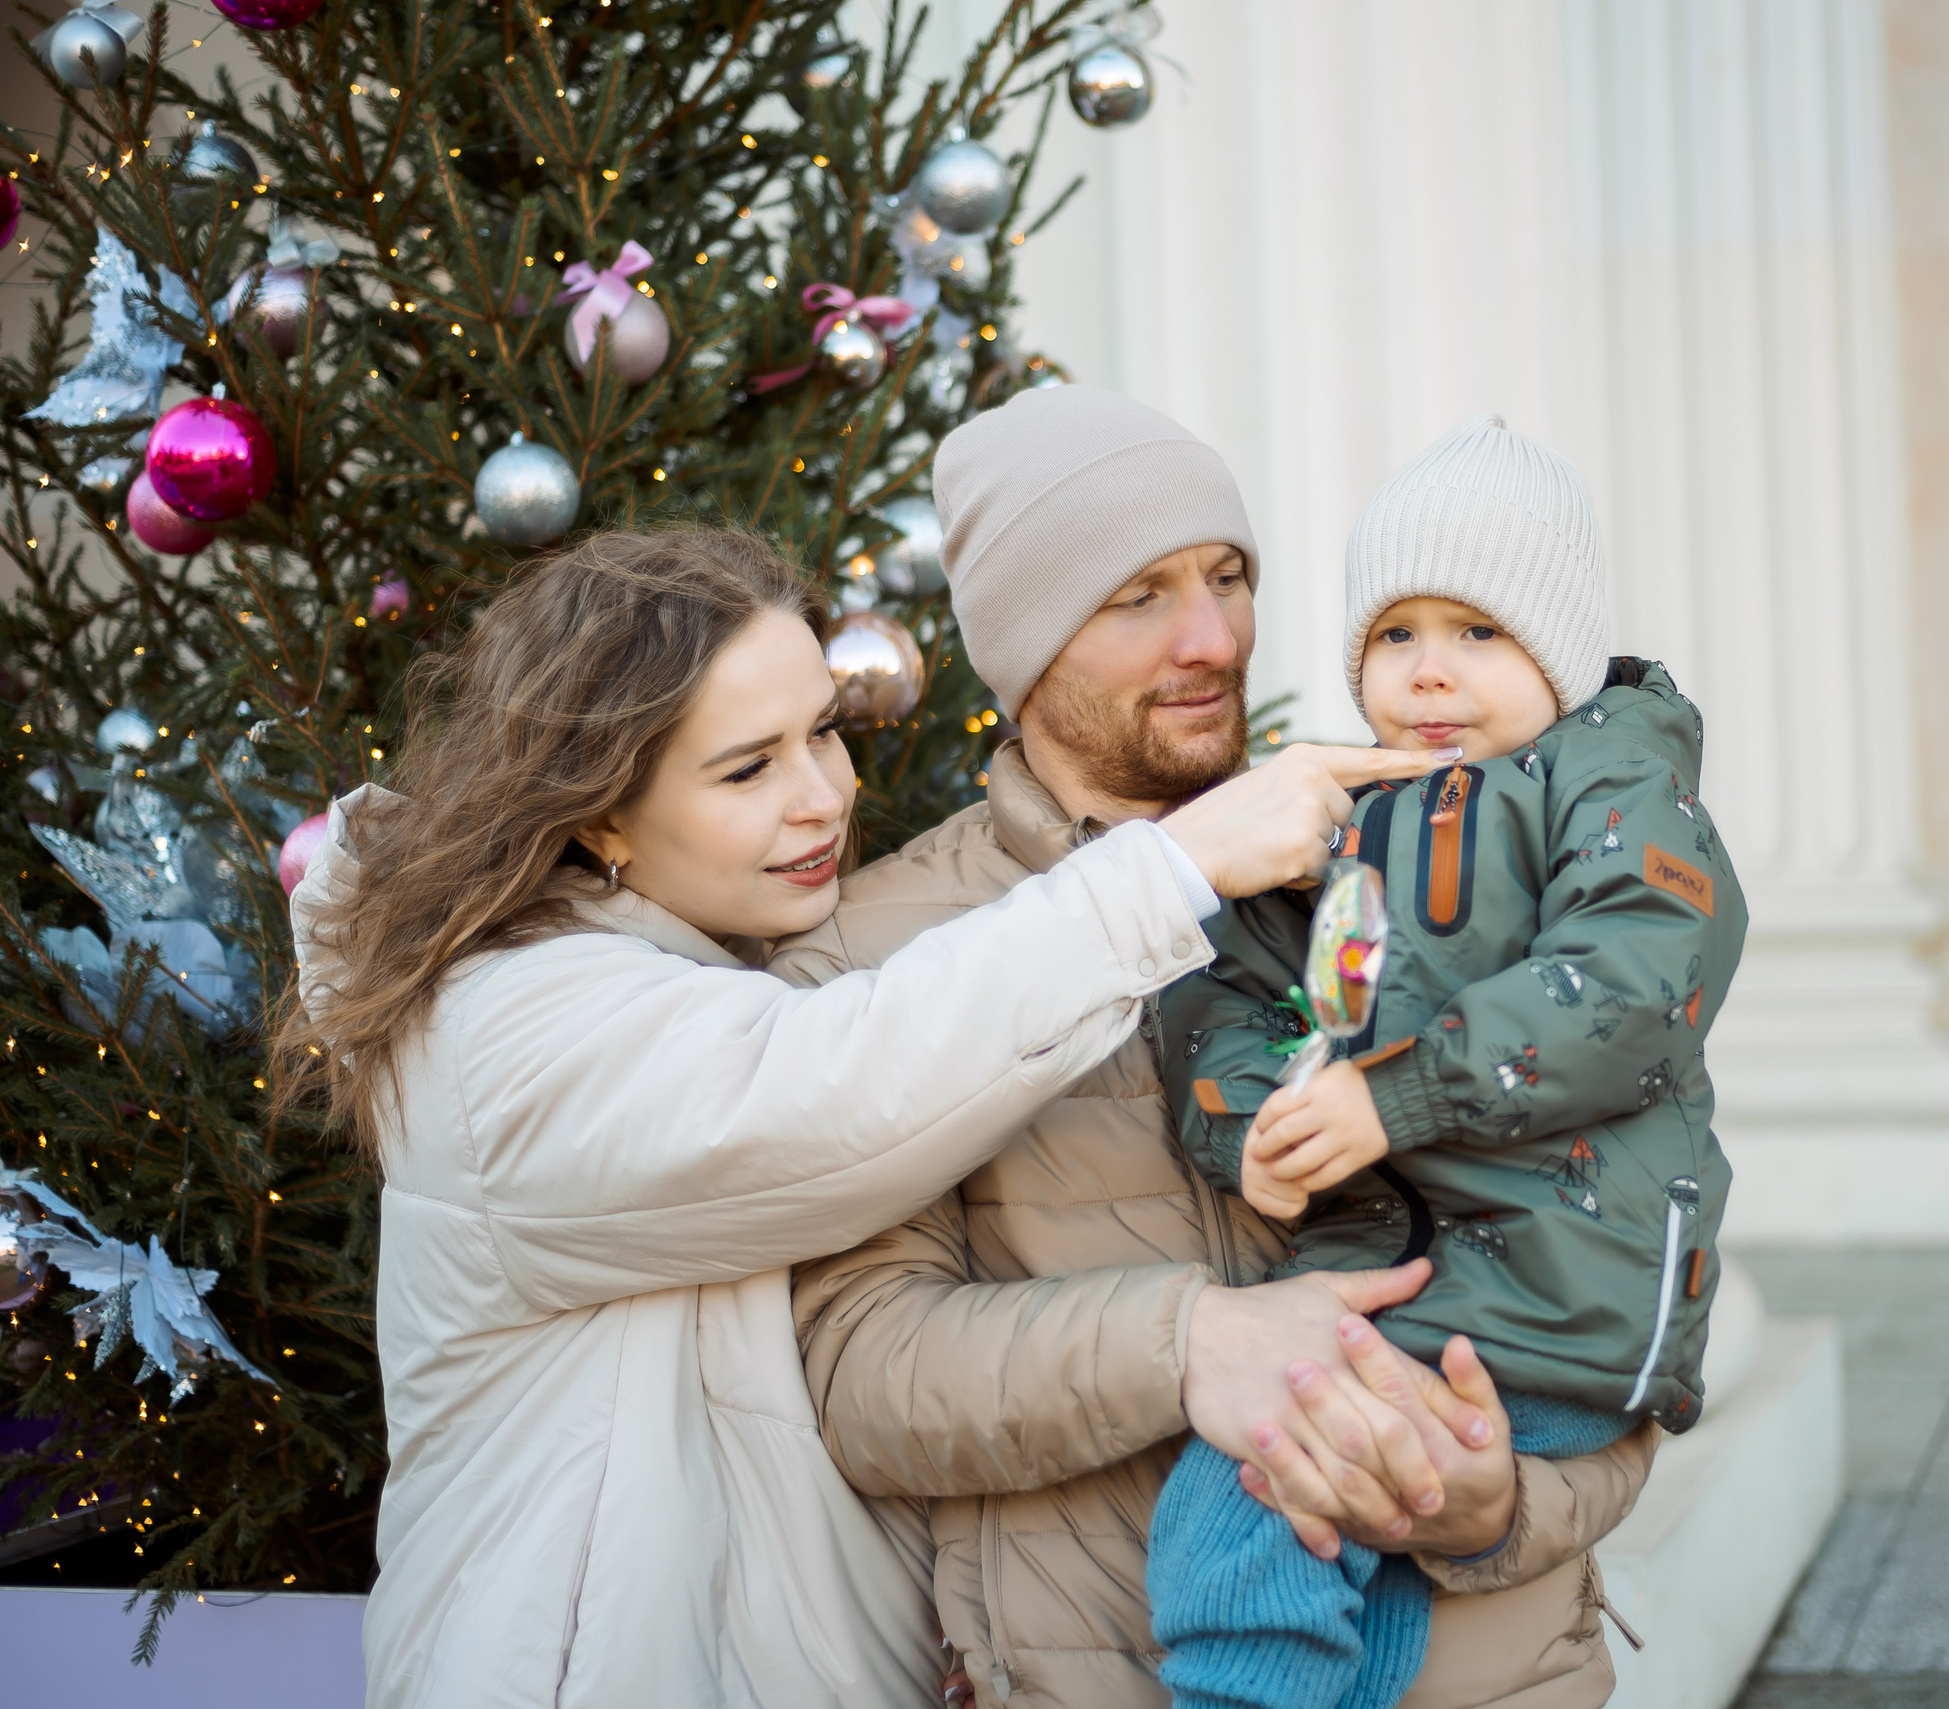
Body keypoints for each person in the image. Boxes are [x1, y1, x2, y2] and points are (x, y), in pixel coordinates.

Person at [276, 526, 1431, 1709]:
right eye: (746, 769)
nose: (825, 795)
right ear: (600, 816)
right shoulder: (507, 1029)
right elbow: (832, 1092)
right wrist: (1170, 867)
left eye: (823, 730)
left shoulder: (713, 963)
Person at [785, 389, 1662, 1709]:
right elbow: (864, 1372)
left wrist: (1506, 1499)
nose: (1213, 639)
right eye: (1137, 595)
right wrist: (1192, 1342)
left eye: (1229, 576)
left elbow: (1632, 1269)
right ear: (1021, 646)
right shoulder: (882, 947)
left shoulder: (1434, 841)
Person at [1150, 414, 1748, 1709]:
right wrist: (1259, 1119)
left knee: (1250, 1503)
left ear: (1561, 648)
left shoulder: (1606, 781)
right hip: (1399, 1287)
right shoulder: (1338, 811)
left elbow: (1641, 974)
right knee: (1336, 1569)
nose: (1430, 673)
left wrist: (1395, 1094)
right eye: (1396, 635)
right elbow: (1229, 992)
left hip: (1550, 1296)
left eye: (1479, 632)